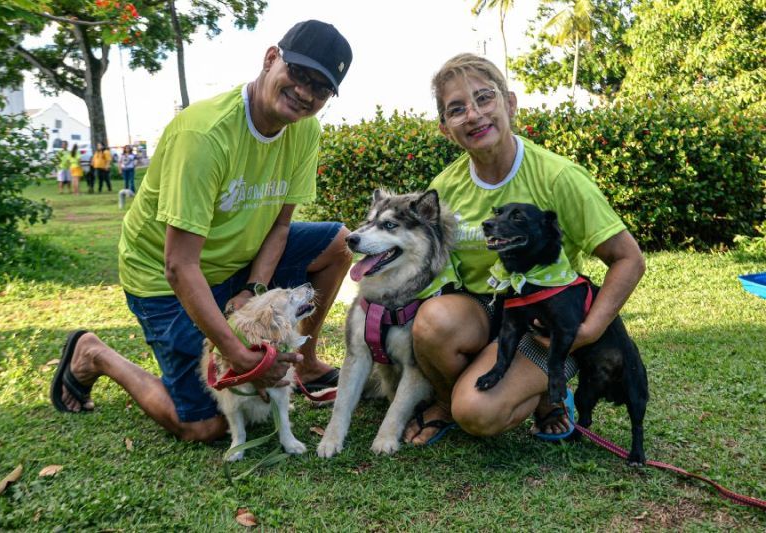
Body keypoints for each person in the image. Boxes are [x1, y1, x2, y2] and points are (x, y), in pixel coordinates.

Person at [50, 20, 353, 443]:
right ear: (270, 59)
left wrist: (254, 287)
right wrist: (237, 353)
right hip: (163, 277)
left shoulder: (305, 130)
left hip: (236, 262)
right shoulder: (204, 135)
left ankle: (303, 361)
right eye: (298, 74)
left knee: (337, 245)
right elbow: (179, 265)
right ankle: (95, 354)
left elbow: (280, 225)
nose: (305, 93)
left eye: (321, 88)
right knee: (203, 426)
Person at [402, 53, 646, 446]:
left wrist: (589, 329)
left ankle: (548, 398)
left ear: (510, 103)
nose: (474, 115)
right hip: (485, 310)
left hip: (543, 322)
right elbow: (434, 263)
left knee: (477, 413)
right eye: (457, 109)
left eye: (484, 98)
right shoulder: (444, 189)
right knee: (433, 322)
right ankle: (446, 402)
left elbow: (628, 258)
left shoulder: (558, 177)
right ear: (445, 128)